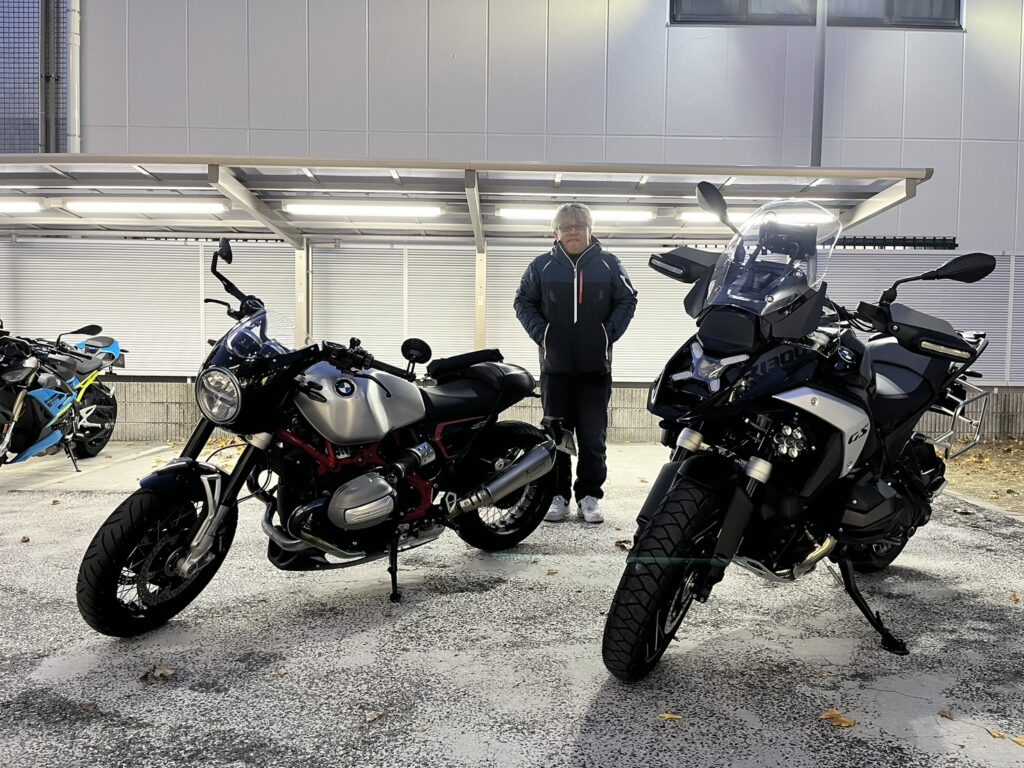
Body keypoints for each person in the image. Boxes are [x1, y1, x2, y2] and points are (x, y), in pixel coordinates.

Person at [513, 203, 638, 524]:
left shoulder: (609, 264)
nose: (573, 231)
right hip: (555, 371)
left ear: (590, 230)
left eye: (579, 225)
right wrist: (543, 334)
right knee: (557, 438)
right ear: (555, 233)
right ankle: (558, 495)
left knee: (593, 439)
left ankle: (589, 496)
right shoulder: (540, 267)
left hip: (596, 371)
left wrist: (606, 334)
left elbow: (628, 299)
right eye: (566, 226)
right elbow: (522, 302)